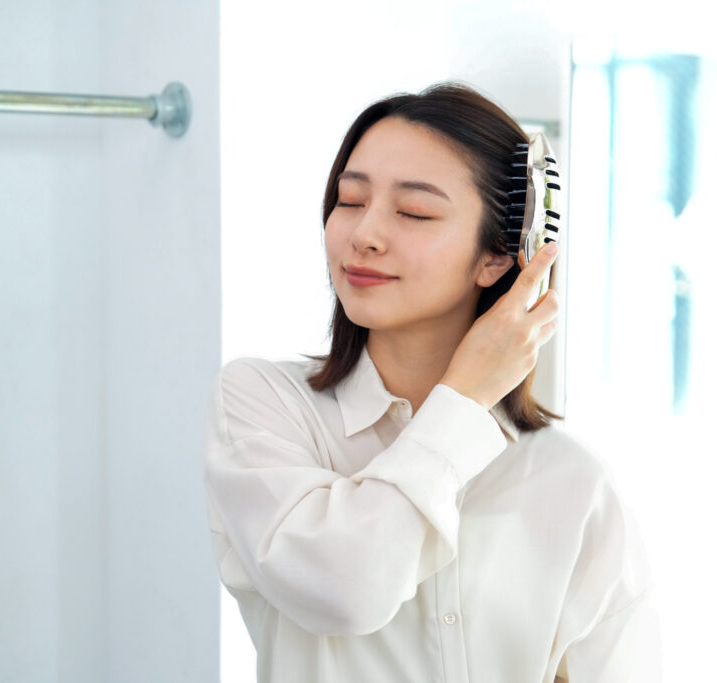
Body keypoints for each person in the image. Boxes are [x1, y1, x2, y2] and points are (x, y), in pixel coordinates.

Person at [204, 83, 651, 682]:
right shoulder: (264, 406)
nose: (364, 234)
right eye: (350, 200)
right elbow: (346, 591)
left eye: (413, 212)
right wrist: (463, 399)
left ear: (500, 254)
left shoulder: (572, 482)